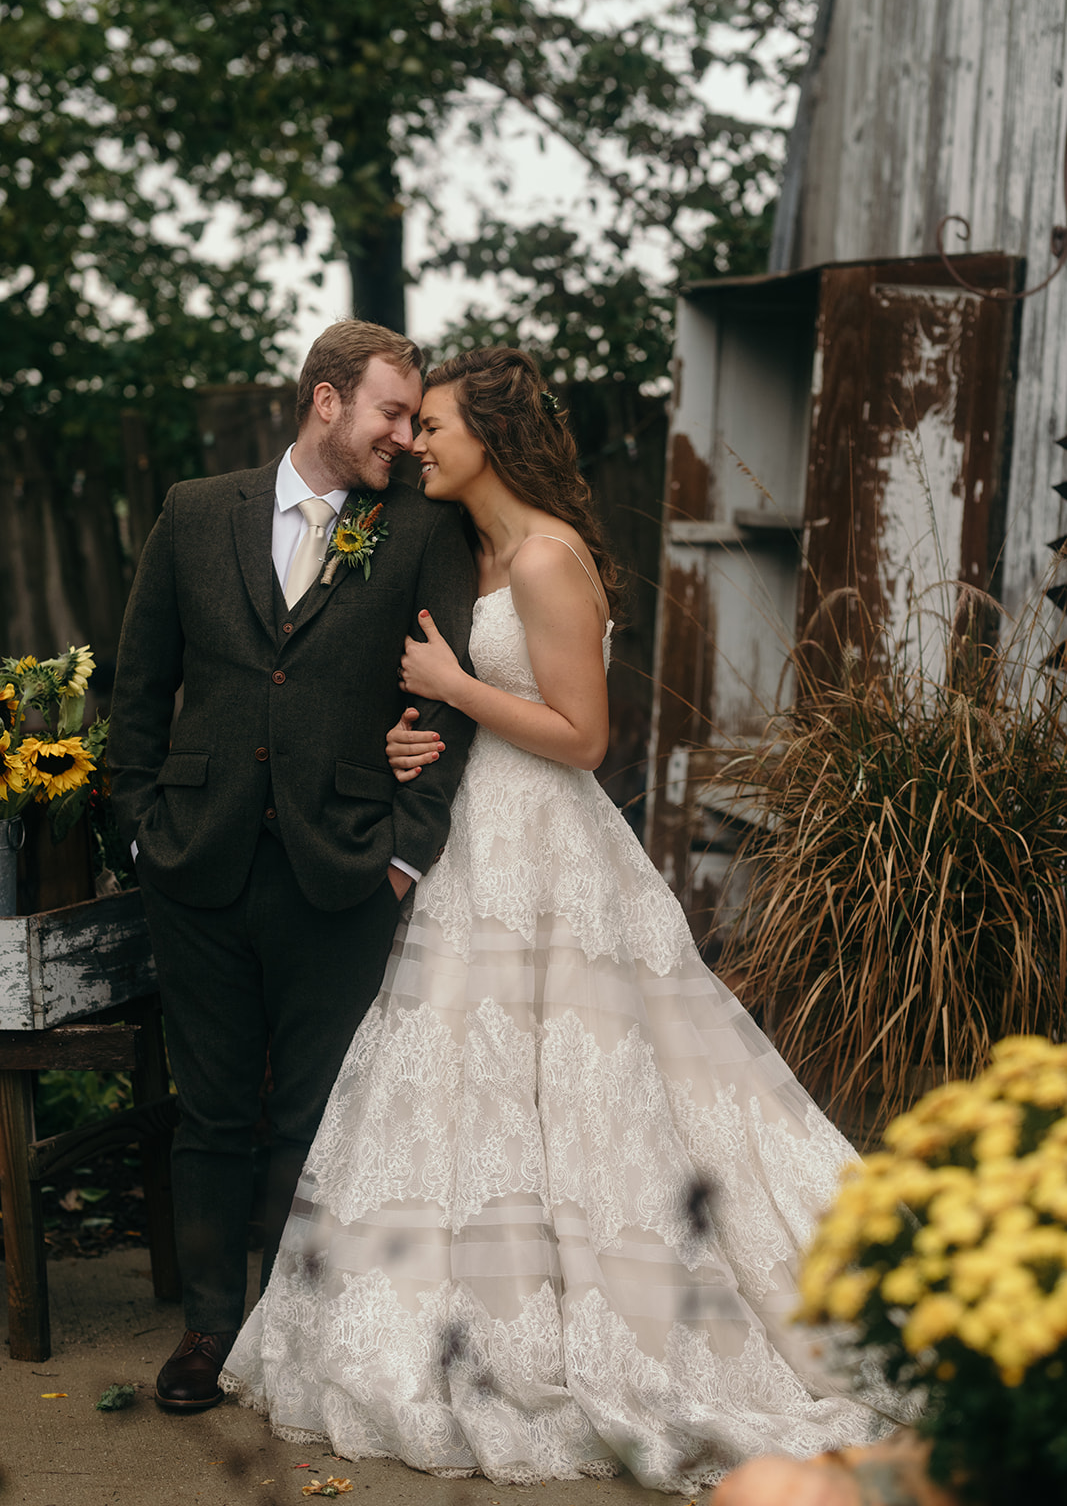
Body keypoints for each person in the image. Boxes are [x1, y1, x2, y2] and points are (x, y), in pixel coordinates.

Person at [221, 348, 897, 1494]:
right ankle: (467, 1321)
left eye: (432, 425)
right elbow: (496, 714)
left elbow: (582, 737)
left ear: (489, 433)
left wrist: (453, 691)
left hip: (553, 849)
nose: (415, 444)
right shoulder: (473, 550)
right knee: (463, 1086)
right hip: (479, 840)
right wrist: (418, 734)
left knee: (600, 1093)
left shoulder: (544, 557)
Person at [107, 320, 477, 1414]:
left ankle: (295, 1329)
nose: (405, 438)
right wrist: (139, 826)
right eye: (390, 413)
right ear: (325, 400)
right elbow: (138, 686)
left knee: (315, 1109)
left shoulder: (416, 528)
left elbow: (443, 700)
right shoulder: (193, 511)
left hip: (344, 865)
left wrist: (406, 851)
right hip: (198, 861)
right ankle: (209, 1329)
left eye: (414, 418)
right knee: (211, 1110)